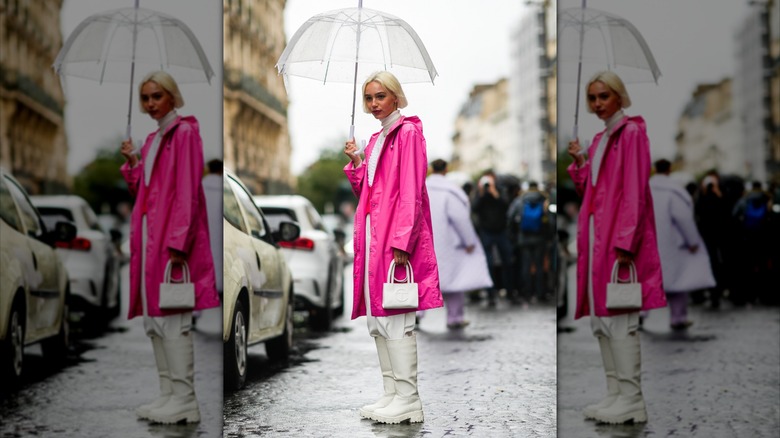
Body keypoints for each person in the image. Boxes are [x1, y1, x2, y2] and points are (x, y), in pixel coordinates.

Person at [343, 71, 443, 424]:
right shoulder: (377, 138)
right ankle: (392, 393)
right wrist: (357, 162)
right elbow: (369, 193)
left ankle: (409, 398)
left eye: (380, 96)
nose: (373, 104)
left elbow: (411, 191)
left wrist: (403, 240)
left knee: (397, 317)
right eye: (369, 98)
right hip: (373, 235)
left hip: (393, 237)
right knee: (379, 320)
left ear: (397, 97)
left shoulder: (408, 133)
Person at [120, 70, 219, 425]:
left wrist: (179, 241)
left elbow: (188, 192)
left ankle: (186, 400)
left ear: (173, 97)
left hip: (170, 241)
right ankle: (168, 395)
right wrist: (133, 163)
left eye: (157, 96)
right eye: (145, 97)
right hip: (149, 240)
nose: (150, 103)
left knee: (174, 320)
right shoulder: (153, 139)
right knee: (155, 322)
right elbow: (146, 191)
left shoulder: (185, 134)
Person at [566, 71, 666, 425]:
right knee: (602, 321)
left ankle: (632, 399)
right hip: (597, 238)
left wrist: (626, 240)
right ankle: (616, 394)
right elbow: (593, 190)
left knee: (621, 319)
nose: (597, 104)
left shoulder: (632, 134)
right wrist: (581, 163)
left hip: (616, 240)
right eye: (592, 98)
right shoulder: (602, 138)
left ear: (620, 97)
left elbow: (635, 192)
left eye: (604, 96)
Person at [426, 159, 493, 329]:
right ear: (446, 170)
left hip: (425, 240)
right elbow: (460, 219)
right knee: (454, 280)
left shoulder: (421, 188)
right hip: (448, 242)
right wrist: (469, 241)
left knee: (424, 280)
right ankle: (454, 317)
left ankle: (417, 314)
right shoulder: (450, 192)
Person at [649, 159, 715, 330]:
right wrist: (692, 241)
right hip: (672, 244)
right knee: (678, 281)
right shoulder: (674, 192)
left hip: (649, 241)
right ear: (669, 169)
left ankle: (641, 314)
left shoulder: (645, 189)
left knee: (648, 280)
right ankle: (678, 317)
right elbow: (684, 219)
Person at [472, 171, 514, 306]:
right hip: (487, 232)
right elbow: (474, 208)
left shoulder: (500, 190)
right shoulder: (480, 193)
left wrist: (494, 192)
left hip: (501, 231)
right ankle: (491, 294)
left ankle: (510, 291)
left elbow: (506, 206)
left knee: (507, 261)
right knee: (488, 264)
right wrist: (482, 194)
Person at [508, 181, 549, 304]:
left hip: (524, 238)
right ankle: (540, 293)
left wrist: (513, 235)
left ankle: (526, 292)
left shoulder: (520, 200)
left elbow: (510, 217)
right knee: (539, 266)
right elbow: (550, 220)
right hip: (540, 238)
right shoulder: (544, 199)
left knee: (525, 265)